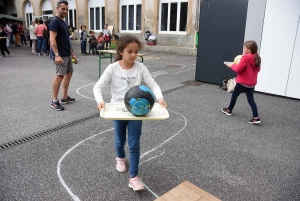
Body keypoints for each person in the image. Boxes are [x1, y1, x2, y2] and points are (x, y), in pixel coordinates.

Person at [93, 34, 167, 191]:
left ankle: (134, 177)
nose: (134, 55)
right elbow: (97, 87)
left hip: (136, 111)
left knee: (134, 143)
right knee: (120, 141)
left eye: (136, 51)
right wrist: (100, 100)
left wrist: (159, 98)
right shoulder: (113, 68)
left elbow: (153, 84)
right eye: (130, 51)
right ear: (121, 51)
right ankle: (120, 157)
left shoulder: (141, 67)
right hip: (118, 111)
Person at [222, 40, 261, 124]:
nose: (243, 49)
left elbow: (238, 69)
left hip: (242, 83)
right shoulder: (256, 57)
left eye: (244, 48)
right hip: (251, 84)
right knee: (251, 100)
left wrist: (231, 65)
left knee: (234, 96)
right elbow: (258, 69)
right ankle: (256, 117)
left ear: (249, 50)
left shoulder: (245, 58)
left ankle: (229, 110)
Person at [49, 0, 78, 111]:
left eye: (67, 9)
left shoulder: (63, 23)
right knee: (59, 76)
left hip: (67, 53)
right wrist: (57, 55)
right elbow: (52, 39)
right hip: (60, 54)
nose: (65, 11)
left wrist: (72, 54)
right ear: (57, 8)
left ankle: (64, 97)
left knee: (69, 74)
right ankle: (54, 101)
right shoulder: (55, 21)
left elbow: (66, 40)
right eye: (63, 9)